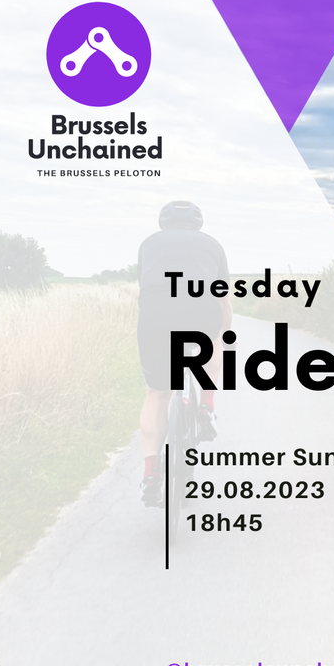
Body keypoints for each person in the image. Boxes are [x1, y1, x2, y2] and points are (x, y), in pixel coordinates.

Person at [137, 200, 230, 507]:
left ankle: (151, 473)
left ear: (164, 223)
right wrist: (223, 335)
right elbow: (223, 299)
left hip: (156, 315)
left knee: (157, 393)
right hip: (200, 309)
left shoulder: (148, 244)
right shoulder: (212, 245)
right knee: (216, 340)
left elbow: (146, 289)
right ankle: (206, 405)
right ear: (197, 223)